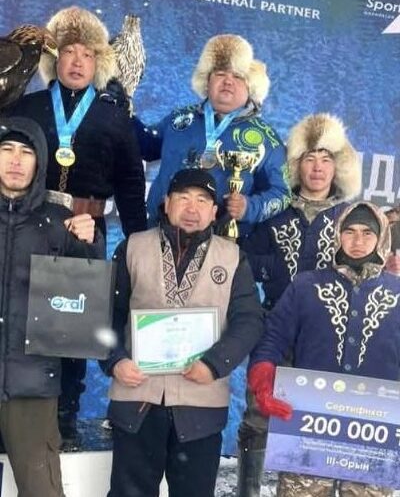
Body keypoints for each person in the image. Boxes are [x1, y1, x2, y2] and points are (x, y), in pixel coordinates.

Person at [3, 6, 147, 439]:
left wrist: (138, 243)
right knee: (18, 322)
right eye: (69, 51)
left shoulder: (114, 116)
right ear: (56, 59)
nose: (78, 61)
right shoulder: (26, 107)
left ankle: (63, 419)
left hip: (86, 233)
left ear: (99, 61)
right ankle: (10, 417)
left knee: (71, 328)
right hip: (27, 229)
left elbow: (130, 183)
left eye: (87, 54)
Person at [100, 168, 264, 497]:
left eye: (202, 200)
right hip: (137, 400)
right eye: (183, 198)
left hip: (200, 405)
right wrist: (115, 360)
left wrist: (214, 365)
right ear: (166, 202)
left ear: (214, 211)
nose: (192, 208)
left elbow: (249, 321)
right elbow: (104, 314)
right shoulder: (133, 248)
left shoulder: (233, 258)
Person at [236, 113, 362, 497]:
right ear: (296, 165)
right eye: (310, 158)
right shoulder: (273, 211)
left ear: (338, 168)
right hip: (274, 326)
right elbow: (245, 261)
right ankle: (248, 490)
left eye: (326, 159)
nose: (318, 168)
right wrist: (273, 271)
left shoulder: (349, 219)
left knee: (316, 419)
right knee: (259, 413)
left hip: (327, 336)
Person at [248, 201, 397, 497]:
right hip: (309, 428)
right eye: (349, 231)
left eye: (367, 233)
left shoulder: (397, 293)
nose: (357, 241)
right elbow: (273, 337)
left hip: (374, 435)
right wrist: (263, 375)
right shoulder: (306, 286)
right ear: (337, 234)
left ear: (381, 237)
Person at [0, 116, 103, 497]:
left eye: (26, 152)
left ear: (40, 161)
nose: (15, 160)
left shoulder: (59, 221)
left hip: (31, 382)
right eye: (6, 150)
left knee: (42, 489)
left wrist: (89, 244)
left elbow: (85, 296)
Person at [143, 34, 290, 237]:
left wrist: (248, 207)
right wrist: (123, 110)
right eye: (220, 73)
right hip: (160, 232)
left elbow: (283, 193)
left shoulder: (266, 137)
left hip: (223, 242)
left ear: (250, 87)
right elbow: (144, 147)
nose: (228, 81)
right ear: (207, 81)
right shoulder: (179, 119)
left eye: (237, 76)